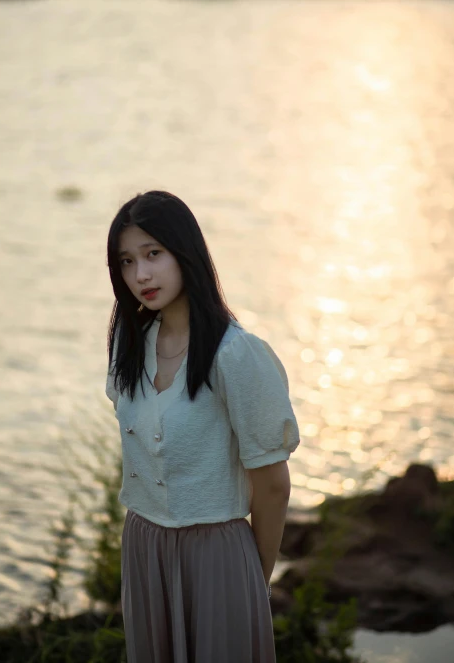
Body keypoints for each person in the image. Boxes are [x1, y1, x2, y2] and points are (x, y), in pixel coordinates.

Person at [105, 190, 300, 663]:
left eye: (154, 254)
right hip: (143, 545)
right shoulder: (128, 346)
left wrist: (254, 578)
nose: (141, 275)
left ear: (185, 252)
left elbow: (271, 485)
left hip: (217, 552)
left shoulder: (236, 355)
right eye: (127, 261)